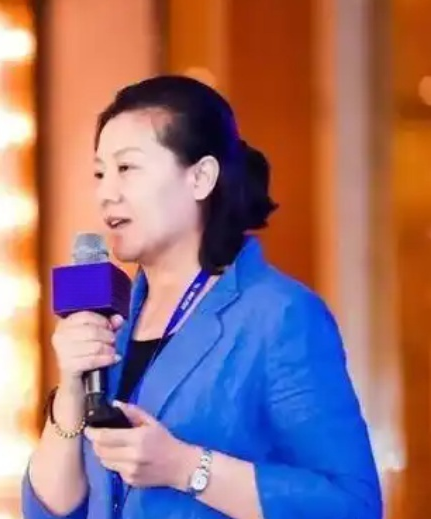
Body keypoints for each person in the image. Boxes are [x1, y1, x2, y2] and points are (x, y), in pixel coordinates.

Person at [21, 75, 382, 519]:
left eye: (127, 168)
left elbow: (351, 506)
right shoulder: (109, 320)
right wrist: (71, 387)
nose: (106, 193)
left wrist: (185, 467)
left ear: (200, 178)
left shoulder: (279, 315)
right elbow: (50, 510)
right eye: (99, 173)